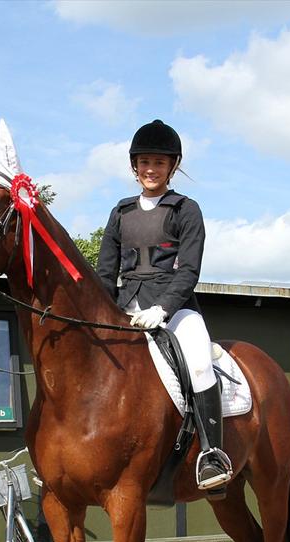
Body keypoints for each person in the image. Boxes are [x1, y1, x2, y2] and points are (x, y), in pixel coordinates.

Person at [96, 119, 231, 492]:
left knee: (201, 363)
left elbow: (189, 270)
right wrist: (103, 312)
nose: (150, 170)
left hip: (175, 308)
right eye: (144, 163)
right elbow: (105, 272)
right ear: (134, 167)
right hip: (126, 308)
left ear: (172, 166)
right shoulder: (120, 212)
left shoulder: (186, 209)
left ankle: (211, 454)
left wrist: (164, 308)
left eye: (159, 163)